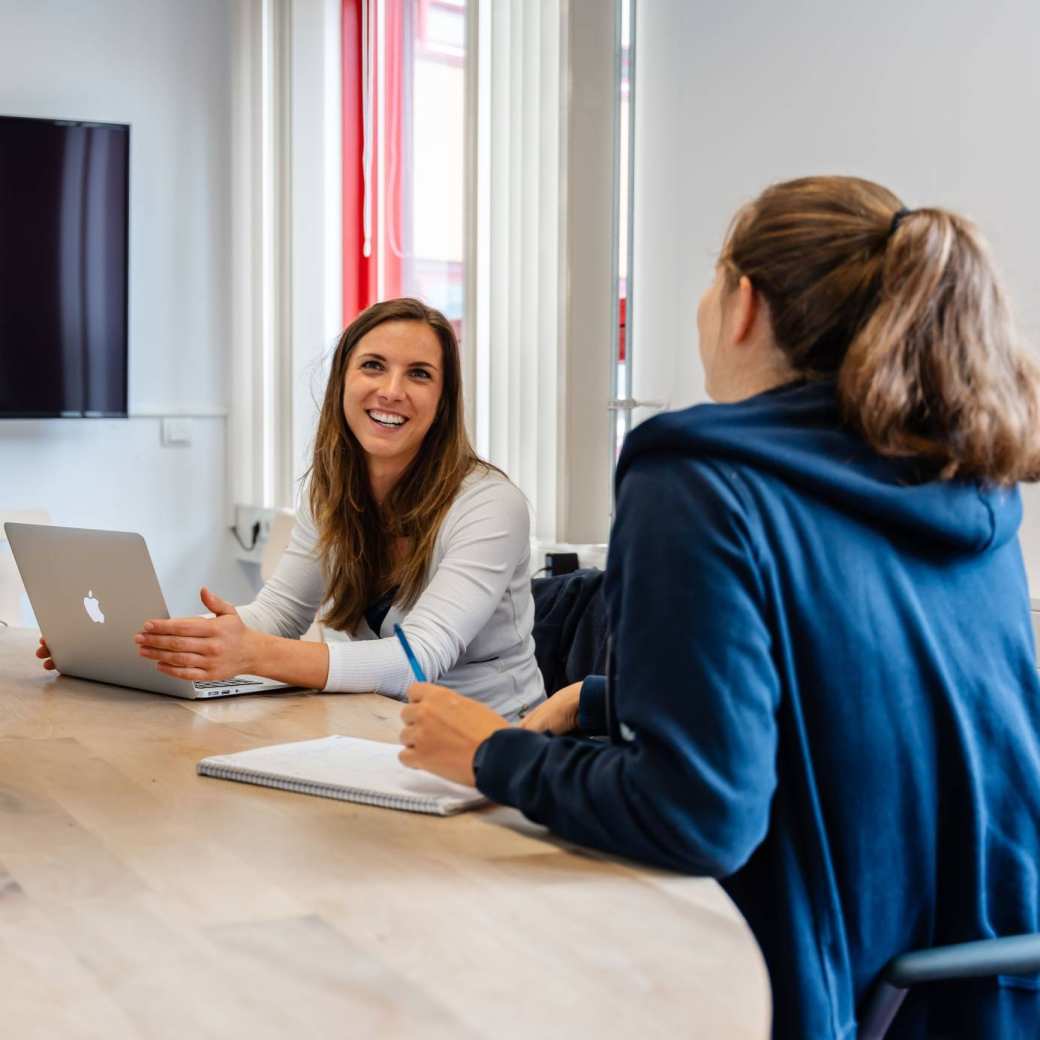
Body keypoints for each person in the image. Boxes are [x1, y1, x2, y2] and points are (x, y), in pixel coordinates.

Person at [396, 178, 1040, 1037]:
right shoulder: (959, 471)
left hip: (795, 996)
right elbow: (855, 690)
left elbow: (698, 815)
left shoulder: (699, 477)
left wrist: (492, 755)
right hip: (983, 994)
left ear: (743, 304)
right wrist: (600, 700)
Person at [37, 298, 545, 720]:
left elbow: (415, 662)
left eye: (419, 374)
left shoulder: (489, 506)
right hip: (380, 728)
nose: (391, 391)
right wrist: (134, 646)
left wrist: (254, 653)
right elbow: (277, 616)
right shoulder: (334, 494)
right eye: (373, 365)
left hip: (495, 745)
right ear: (342, 381)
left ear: (443, 401)